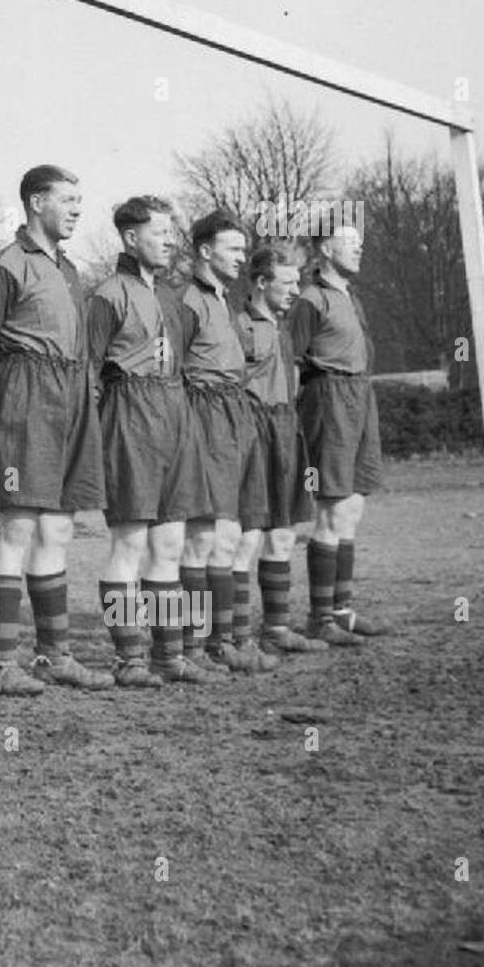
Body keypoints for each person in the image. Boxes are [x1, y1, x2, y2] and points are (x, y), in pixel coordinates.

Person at [0, 166, 114, 696]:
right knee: (17, 527)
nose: (78, 209)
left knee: (57, 529)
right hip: (26, 394)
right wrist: (0, 406)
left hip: (71, 395)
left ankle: (53, 655)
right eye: (68, 200)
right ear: (36, 203)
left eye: (81, 199)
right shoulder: (5, 266)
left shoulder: (70, 268)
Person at [87, 196, 211, 687]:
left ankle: (171, 654)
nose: (170, 241)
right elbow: (89, 371)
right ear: (131, 237)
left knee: (171, 540)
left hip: (174, 414)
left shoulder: (172, 298)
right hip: (128, 414)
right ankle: (128, 657)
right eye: (160, 232)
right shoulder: (107, 294)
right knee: (130, 541)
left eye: (172, 233)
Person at [179, 209, 276, 674]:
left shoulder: (225, 302)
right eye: (233, 249)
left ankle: (225, 639)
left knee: (233, 534)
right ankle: (192, 645)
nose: (242, 257)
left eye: (244, 249)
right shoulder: (186, 302)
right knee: (203, 537)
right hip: (203, 417)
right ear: (204, 251)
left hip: (238, 415)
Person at [287, 223, 389, 645]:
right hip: (327, 398)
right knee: (330, 509)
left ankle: (342, 611)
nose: (359, 249)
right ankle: (319, 618)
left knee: (352, 508)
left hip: (361, 396)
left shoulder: (350, 296)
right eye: (351, 244)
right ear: (327, 249)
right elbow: (290, 360)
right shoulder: (310, 300)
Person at [231, 242, 327, 655]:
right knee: (246, 536)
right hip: (251, 432)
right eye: (287, 282)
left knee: (283, 534)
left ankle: (278, 628)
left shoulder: (286, 328)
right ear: (261, 281)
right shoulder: (236, 323)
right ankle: (234, 635)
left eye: (298, 281)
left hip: (287, 430)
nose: (295, 290)